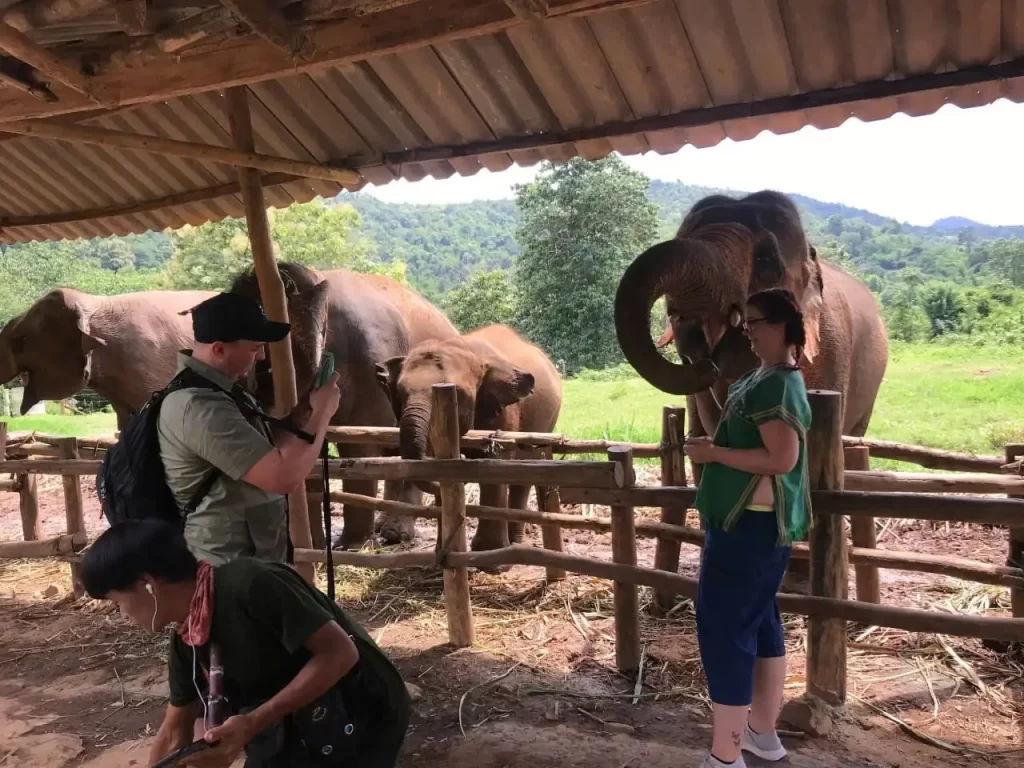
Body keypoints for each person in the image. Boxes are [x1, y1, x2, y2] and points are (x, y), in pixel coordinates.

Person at [81, 519, 412, 768]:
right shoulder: (187, 641)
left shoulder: (252, 584)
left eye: (117, 601)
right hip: (294, 724)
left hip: (361, 710)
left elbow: (340, 653)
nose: (121, 613)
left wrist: (254, 722)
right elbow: (174, 730)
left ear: (147, 584)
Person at [683, 288, 812, 768]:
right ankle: (762, 734)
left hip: (749, 528)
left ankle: (725, 755)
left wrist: (713, 454)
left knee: (724, 630)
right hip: (748, 524)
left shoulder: (777, 385)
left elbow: (782, 459)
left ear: (781, 326)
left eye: (755, 323)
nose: (749, 332)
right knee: (759, 623)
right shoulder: (766, 377)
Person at [158, 291, 340, 565]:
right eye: (255, 348)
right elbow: (281, 477)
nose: (261, 357)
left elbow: (267, 446)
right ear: (219, 349)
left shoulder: (224, 390)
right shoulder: (200, 406)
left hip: (252, 558)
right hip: (229, 567)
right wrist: (323, 414)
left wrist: (308, 408)